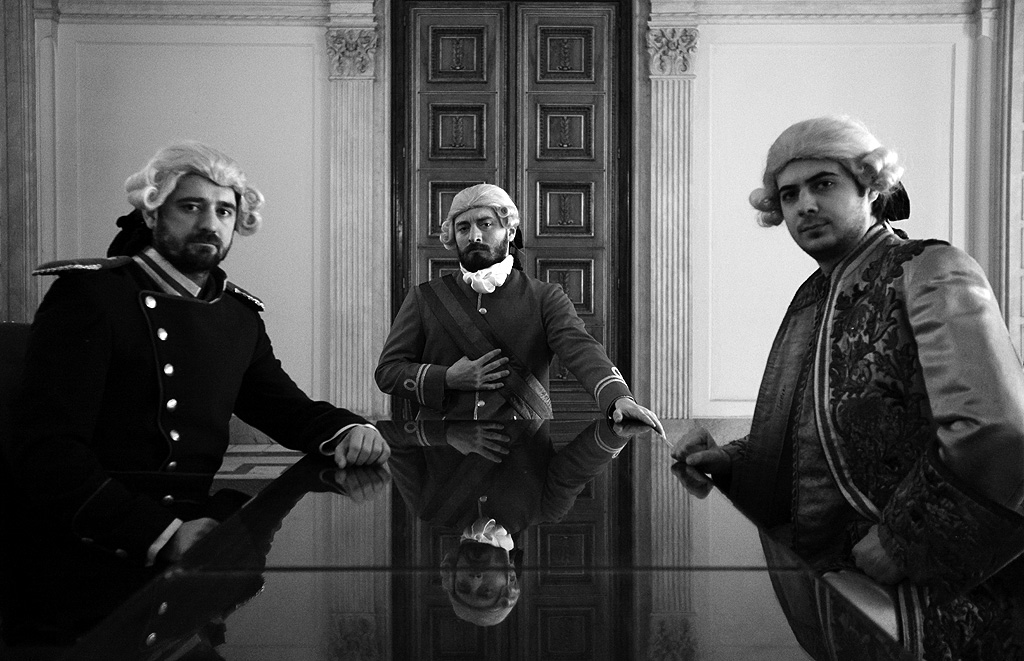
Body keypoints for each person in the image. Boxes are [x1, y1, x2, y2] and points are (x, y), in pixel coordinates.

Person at [0, 141, 390, 649]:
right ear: (152, 212)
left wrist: (347, 428)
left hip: (192, 544)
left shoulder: (236, 316)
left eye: (224, 211)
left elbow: (282, 407)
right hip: (88, 555)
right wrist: (160, 534)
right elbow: (47, 453)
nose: (210, 223)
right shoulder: (90, 296)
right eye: (191, 206)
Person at [672, 116, 1024, 659]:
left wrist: (905, 541)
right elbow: (811, 437)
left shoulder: (929, 268)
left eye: (824, 184)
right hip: (831, 585)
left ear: (871, 187)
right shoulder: (814, 295)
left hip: (926, 593)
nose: (805, 205)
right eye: (789, 195)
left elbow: (996, 430)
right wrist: (732, 462)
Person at [375, 183, 664, 433]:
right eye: (463, 227)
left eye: (485, 224)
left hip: (523, 454)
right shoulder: (425, 298)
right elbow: (388, 372)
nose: (474, 236)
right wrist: (447, 378)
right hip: (442, 453)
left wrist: (618, 398)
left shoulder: (545, 297)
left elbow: (582, 351)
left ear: (510, 231)